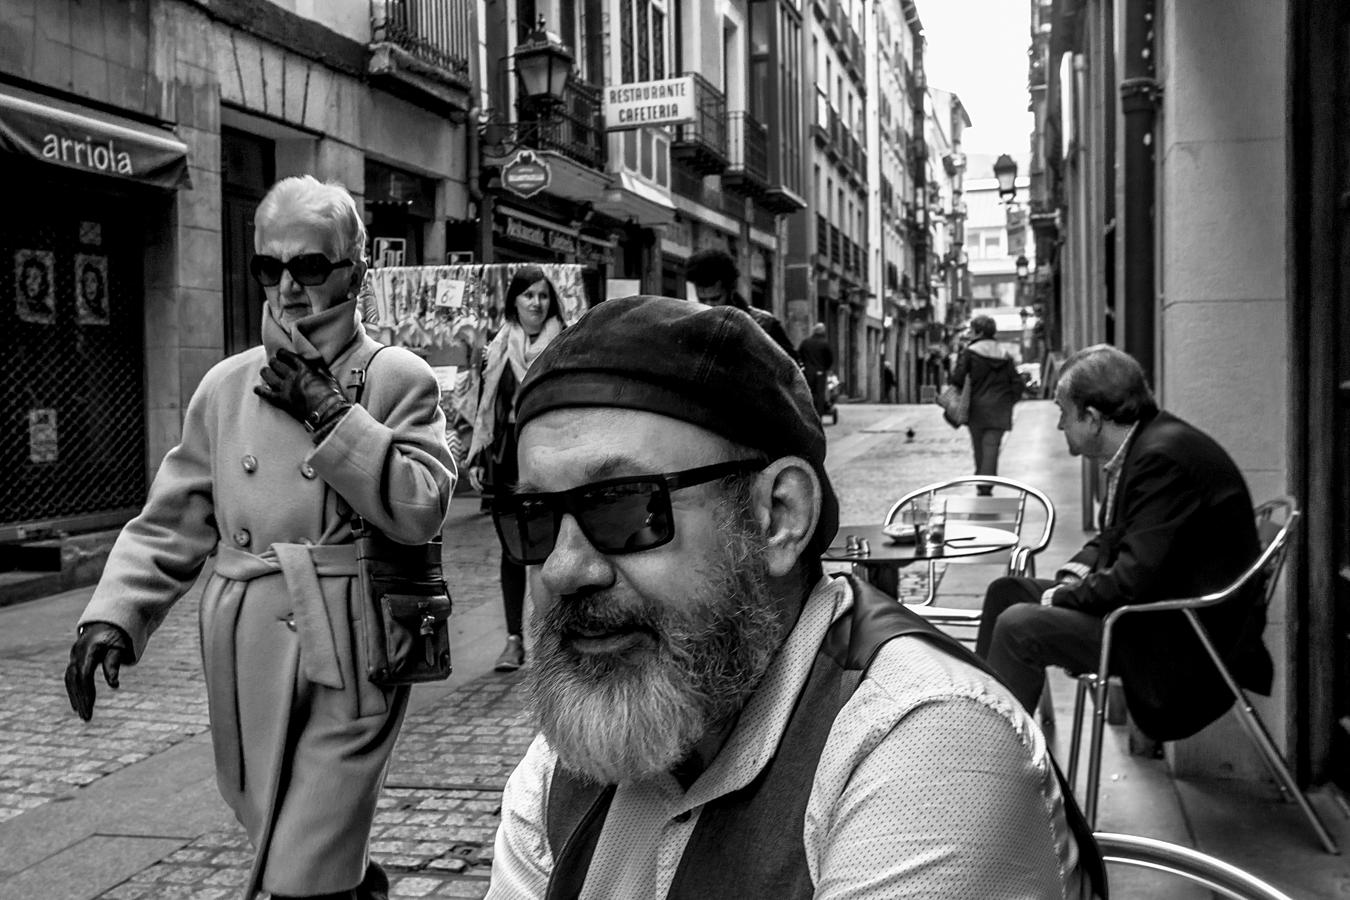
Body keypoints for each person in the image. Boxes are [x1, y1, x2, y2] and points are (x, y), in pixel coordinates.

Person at [485, 296, 1095, 898]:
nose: (563, 567)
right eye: (533, 516)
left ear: (778, 516)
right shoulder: (568, 765)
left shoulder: (930, 744)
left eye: (623, 504)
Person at [63, 175, 456, 900]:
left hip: (351, 645)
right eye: (269, 267)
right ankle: (357, 887)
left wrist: (332, 414)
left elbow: (422, 504)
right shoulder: (226, 386)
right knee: (279, 827)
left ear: (355, 271)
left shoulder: (394, 376)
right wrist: (114, 613)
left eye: (310, 265)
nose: (289, 286)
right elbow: (175, 518)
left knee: (301, 868)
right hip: (244, 649)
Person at [975, 344, 1272, 740]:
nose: (1060, 426)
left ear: (1093, 418)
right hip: (1150, 608)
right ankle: (974, 725)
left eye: (1063, 413)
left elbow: (1134, 577)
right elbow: (1114, 538)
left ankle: (989, 763)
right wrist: (1072, 575)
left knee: (1019, 625)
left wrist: (1061, 598)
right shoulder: (1144, 444)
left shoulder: (1161, 458)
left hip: (1175, 634)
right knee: (1007, 592)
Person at [467, 266, 566, 673]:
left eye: (543, 296)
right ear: (515, 301)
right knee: (513, 551)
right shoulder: (497, 348)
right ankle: (514, 641)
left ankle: (554, 639)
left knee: (553, 549)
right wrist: (477, 455)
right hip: (508, 459)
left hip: (552, 457)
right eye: (528, 296)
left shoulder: (565, 344)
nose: (536, 304)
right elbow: (483, 407)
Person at [685, 247, 798, 362]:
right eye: (702, 300)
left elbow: (792, 372)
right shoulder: (693, 327)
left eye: (715, 299)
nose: (709, 306)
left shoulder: (764, 325)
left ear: (730, 291)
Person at [949, 315, 1020, 495]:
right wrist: (1009, 400)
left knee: (979, 447)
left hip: (977, 408)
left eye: (972, 330)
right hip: (1000, 407)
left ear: (979, 332)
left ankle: (982, 482)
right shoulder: (1005, 354)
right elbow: (1017, 383)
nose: (970, 334)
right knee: (992, 447)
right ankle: (986, 484)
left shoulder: (970, 352)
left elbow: (957, 379)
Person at [796, 322, 834, 417]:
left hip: (808, 371)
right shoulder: (824, 343)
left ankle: (807, 414)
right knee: (820, 394)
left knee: (808, 393)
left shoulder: (806, 342)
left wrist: (802, 365)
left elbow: (798, 355)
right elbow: (830, 359)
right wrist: (826, 368)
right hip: (820, 372)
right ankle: (818, 416)